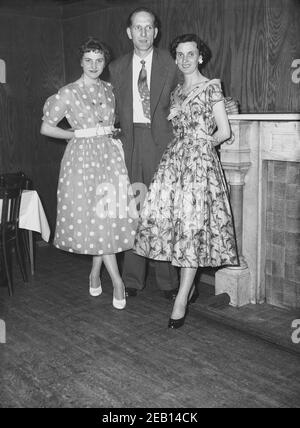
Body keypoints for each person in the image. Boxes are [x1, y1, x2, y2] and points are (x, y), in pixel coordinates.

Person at [133, 34, 238, 328]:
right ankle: (187, 288)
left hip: (199, 166)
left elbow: (225, 131)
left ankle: (181, 299)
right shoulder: (177, 92)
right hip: (175, 164)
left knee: (191, 230)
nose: (185, 59)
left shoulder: (211, 87)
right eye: (180, 55)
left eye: (190, 54)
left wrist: (206, 143)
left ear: (200, 57)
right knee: (175, 228)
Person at [41, 37, 138, 310]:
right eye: (88, 60)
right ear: (80, 61)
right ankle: (117, 282)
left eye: (99, 60)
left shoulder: (110, 90)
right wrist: (75, 134)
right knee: (97, 218)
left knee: (107, 218)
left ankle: (96, 273)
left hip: (108, 157)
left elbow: (114, 120)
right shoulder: (68, 92)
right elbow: (47, 128)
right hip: (82, 161)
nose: (94, 65)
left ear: (104, 62)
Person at [109, 7, 180, 300]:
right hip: (129, 143)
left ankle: (167, 281)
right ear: (129, 32)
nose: (143, 33)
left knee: (162, 211)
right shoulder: (115, 68)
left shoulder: (172, 63)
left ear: (156, 31)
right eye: (138, 27)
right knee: (133, 211)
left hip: (162, 142)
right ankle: (133, 279)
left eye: (148, 27)